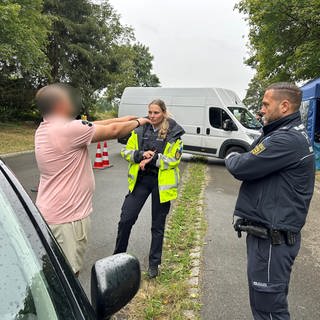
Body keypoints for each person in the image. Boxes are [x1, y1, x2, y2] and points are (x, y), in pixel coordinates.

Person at [34, 83, 150, 275]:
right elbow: (113, 131)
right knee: (68, 275)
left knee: (54, 271)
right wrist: (139, 123)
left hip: (51, 213)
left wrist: (126, 118)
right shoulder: (68, 130)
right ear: (60, 105)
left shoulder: (47, 128)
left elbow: (96, 125)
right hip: (68, 220)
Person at [225, 82, 315, 320]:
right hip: (269, 238)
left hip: (272, 242)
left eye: (265, 104)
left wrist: (231, 154)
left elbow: (242, 166)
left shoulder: (285, 140)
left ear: (284, 106)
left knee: (269, 312)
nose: (261, 110)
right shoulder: (282, 133)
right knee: (266, 306)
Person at [113, 99, 185, 278]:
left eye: (156, 113)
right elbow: (126, 152)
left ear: (164, 113)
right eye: (150, 112)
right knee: (126, 219)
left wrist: (153, 159)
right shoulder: (139, 130)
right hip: (141, 180)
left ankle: (154, 264)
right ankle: (117, 258)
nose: (152, 116)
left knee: (157, 226)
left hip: (160, 184)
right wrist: (139, 155)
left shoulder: (174, 133)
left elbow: (174, 160)